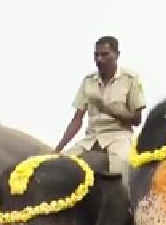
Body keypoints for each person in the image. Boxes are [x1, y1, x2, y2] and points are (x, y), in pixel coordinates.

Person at [53, 36, 146, 181]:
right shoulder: (88, 81)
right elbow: (77, 119)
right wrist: (57, 149)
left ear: (117, 55)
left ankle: (128, 202)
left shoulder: (130, 79)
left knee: (123, 172)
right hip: (91, 138)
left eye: (105, 54)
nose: (99, 59)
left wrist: (107, 109)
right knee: (58, 166)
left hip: (118, 137)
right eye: (96, 55)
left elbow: (136, 119)